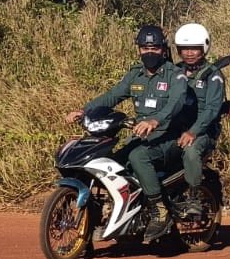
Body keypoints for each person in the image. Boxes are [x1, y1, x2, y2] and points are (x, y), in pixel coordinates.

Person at [66, 25, 187, 242]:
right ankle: (117, 214)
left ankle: (160, 210)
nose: (149, 52)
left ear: (163, 49)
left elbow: (176, 103)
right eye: (145, 48)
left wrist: (155, 120)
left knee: (137, 156)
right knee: (110, 164)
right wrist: (85, 110)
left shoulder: (175, 75)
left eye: (155, 48)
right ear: (138, 49)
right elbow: (113, 96)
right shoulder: (135, 74)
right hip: (141, 136)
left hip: (168, 137)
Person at [169, 22, 225, 214]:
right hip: (176, 129)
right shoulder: (173, 71)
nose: (189, 53)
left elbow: (212, 109)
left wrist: (193, 131)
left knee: (191, 152)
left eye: (194, 48)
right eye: (184, 48)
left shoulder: (213, 75)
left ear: (204, 48)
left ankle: (194, 197)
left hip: (203, 132)